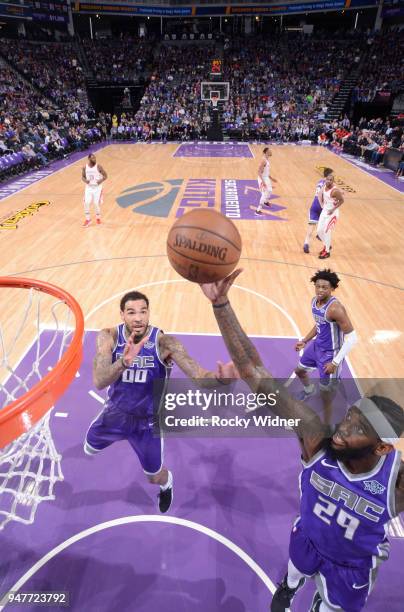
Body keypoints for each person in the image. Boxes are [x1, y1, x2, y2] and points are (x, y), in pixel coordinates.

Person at [199, 270, 404, 612]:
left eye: (357, 429)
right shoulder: (317, 440)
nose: (342, 428)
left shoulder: (395, 485)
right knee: (295, 571)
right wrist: (220, 304)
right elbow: (255, 371)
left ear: (383, 447)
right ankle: (290, 587)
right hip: (308, 538)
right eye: (349, 416)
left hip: (351, 568)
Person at [84, 290, 236, 513]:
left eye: (143, 312)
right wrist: (124, 362)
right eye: (131, 312)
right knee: (89, 449)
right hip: (115, 414)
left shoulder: (165, 343)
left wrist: (220, 381)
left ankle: (168, 484)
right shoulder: (108, 337)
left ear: (149, 313)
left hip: (147, 423)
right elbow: (99, 380)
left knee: (155, 477)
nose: (138, 318)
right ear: (121, 315)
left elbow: (200, 377)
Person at [294, 269, 357, 422]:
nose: (320, 290)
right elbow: (319, 325)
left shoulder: (336, 309)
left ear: (332, 289)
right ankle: (309, 390)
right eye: (318, 286)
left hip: (331, 354)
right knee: (299, 371)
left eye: (325, 287)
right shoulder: (314, 302)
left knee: (326, 394)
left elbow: (352, 338)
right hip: (316, 347)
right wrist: (305, 340)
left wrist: (335, 362)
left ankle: (327, 424)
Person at [303, 168, 334, 254]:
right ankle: (324, 241)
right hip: (322, 206)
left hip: (314, 205)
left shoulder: (319, 181)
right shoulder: (328, 184)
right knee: (325, 227)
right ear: (328, 176)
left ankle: (306, 243)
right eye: (331, 175)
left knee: (311, 227)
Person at [317, 171, 344, 259]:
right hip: (325, 211)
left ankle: (327, 252)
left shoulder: (335, 191)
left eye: (330, 180)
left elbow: (342, 200)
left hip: (332, 213)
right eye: (327, 179)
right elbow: (319, 194)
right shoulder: (324, 186)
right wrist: (321, 205)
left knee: (326, 231)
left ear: (333, 181)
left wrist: (332, 209)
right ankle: (327, 245)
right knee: (319, 231)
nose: (328, 181)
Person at [81, 153, 107, 228]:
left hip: (97, 188)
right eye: (92, 158)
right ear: (89, 159)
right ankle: (88, 219)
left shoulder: (98, 166)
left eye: (95, 158)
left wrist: (100, 181)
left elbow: (105, 176)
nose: (94, 159)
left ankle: (98, 218)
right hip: (88, 187)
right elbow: (82, 177)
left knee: (96, 203)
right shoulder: (85, 167)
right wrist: (86, 181)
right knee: (86, 203)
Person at [255, 147, 277, 216]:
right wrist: (263, 181)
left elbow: (266, 172)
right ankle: (258, 210)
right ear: (266, 152)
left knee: (270, 191)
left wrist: (271, 178)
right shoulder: (263, 160)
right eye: (270, 151)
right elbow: (259, 172)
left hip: (266, 178)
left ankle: (265, 202)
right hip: (262, 179)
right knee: (264, 194)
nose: (271, 152)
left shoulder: (267, 160)